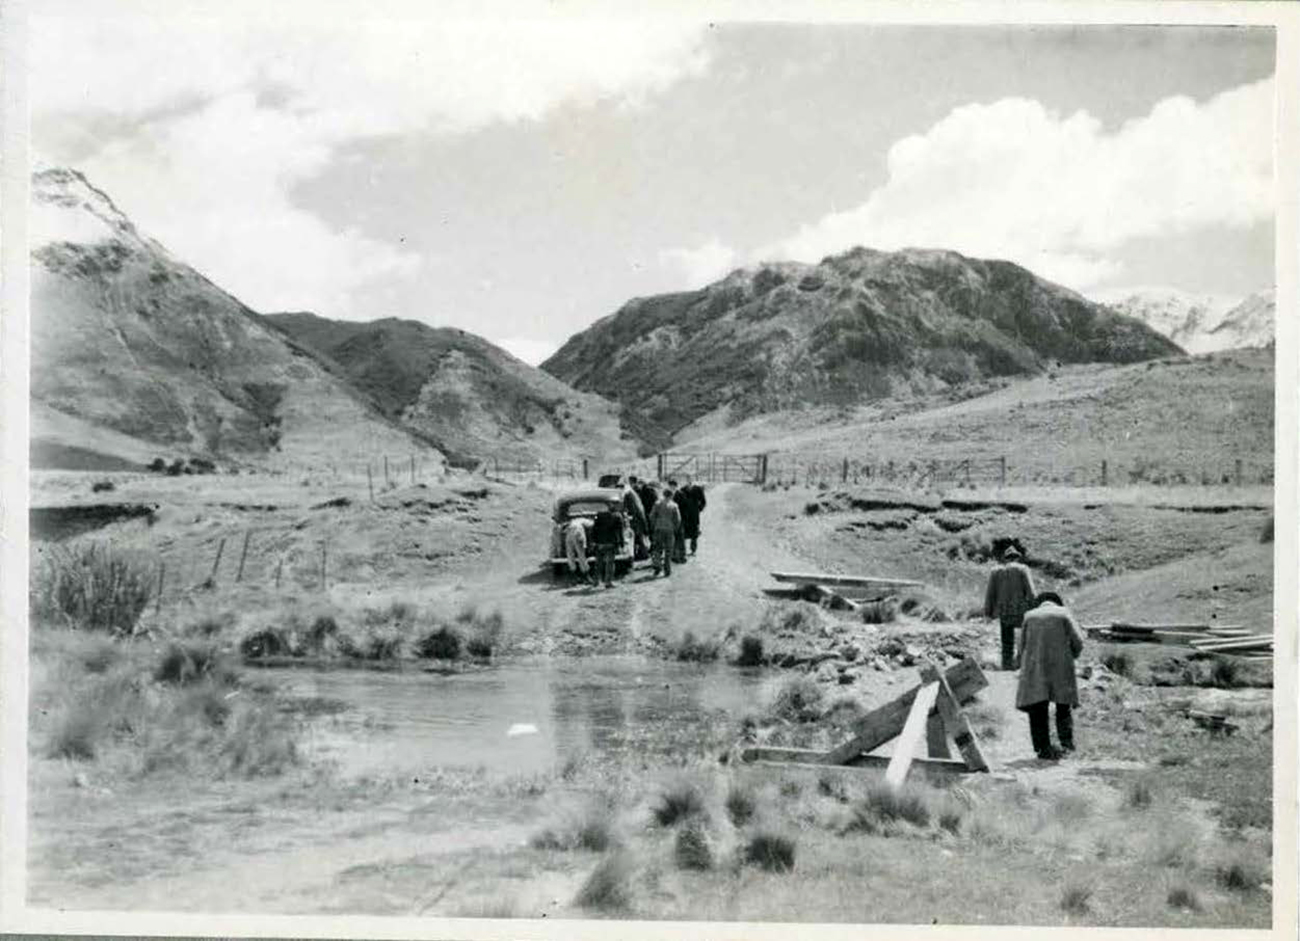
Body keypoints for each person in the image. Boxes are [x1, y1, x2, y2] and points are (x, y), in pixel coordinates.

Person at [1015, 591, 1085, 761]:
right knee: (1063, 707)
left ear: (1040, 603)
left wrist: (1022, 664)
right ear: (1057, 603)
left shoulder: (1029, 616)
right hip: (1060, 666)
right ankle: (1067, 745)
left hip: (1036, 666)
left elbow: (1021, 646)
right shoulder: (1064, 613)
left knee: (1038, 707)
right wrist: (1071, 656)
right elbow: (1079, 641)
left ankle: (1042, 748)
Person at [983, 544, 1037, 670]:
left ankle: (1006, 666)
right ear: (1017, 558)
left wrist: (988, 613)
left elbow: (990, 593)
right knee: (1023, 640)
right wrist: (1035, 608)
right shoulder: (1023, 569)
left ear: (1006, 558)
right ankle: (1021, 666)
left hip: (1004, 612)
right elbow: (1031, 592)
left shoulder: (995, 571)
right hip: (1021, 612)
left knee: (1006, 642)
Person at [649, 486, 682, 576]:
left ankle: (657, 567)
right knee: (668, 550)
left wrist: (654, 525)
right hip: (669, 530)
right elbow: (678, 519)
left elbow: (651, 516)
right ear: (671, 496)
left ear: (663, 494)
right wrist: (675, 528)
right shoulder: (674, 505)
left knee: (657, 549)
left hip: (658, 529)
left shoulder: (657, 504)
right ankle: (667, 570)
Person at [590, 504, 625, 588]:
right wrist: (621, 543)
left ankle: (595, 581)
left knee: (598, 563)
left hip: (599, 543)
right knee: (610, 563)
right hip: (611, 542)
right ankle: (608, 582)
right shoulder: (618, 517)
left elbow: (594, 529)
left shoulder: (598, 515)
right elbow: (620, 531)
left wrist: (594, 541)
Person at [622, 477, 649, 561]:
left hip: (635, 520)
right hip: (636, 519)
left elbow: (635, 509)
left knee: (637, 537)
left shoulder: (630, 494)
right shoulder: (633, 494)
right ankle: (642, 554)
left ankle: (642, 554)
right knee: (638, 537)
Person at [563, 516, 594, 585]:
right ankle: (586, 576)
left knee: (570, 555)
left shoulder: (571, 521)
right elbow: (592, 524)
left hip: (569, 533)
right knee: (581, 555)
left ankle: (574, 577)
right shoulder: (583, 520)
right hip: (578, 532)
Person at [679, 479, 707, 555]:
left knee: (694, 533)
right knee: (684, 532)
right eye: (687, 480)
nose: (689, 482)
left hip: (694, 514)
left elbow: (703, 501)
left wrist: (699, 509)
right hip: (684, 514)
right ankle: (683, 550)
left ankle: (693, 550)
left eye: (690, 480)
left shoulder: (698, 489)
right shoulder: (682, 490)